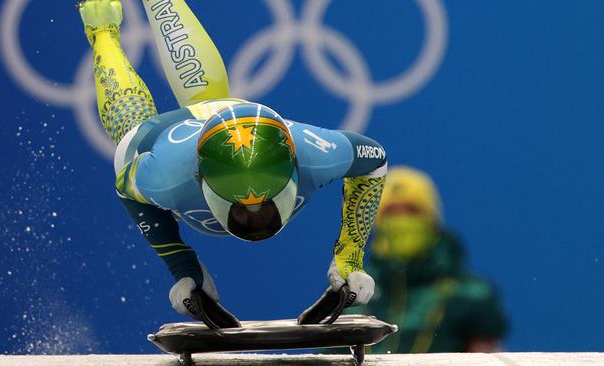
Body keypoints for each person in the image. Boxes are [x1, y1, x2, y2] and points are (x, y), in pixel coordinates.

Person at [76, 0, 387, 320]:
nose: (255, 217)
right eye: (244, 209)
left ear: (295, 169)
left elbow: (375, 162)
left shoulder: (317, 154)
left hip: (229, 120)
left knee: (211, 103)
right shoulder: (165, 175)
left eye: (261, 204)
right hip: (169, 141)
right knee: (128, 138)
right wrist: (182, 265)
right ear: (201, 181)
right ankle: (102, 29)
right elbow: (124, 187)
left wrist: (350, 256)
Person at [366, 166, 508, 352]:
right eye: (391, 212)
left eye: (412, 210)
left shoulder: (471, 295)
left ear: (431, 218)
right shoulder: (354, 295)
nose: (401, 220)